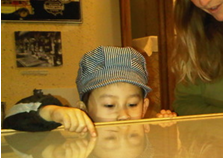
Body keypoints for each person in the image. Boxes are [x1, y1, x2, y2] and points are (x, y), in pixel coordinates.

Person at [3, 46, 176, 136]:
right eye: (109, 105)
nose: (123, 115)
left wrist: (165, 129)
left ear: (145, 106)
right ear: (84, 108)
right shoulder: (77, 136)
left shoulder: (145, 130)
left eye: (132, 104)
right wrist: (51, 112)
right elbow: (11, 120)